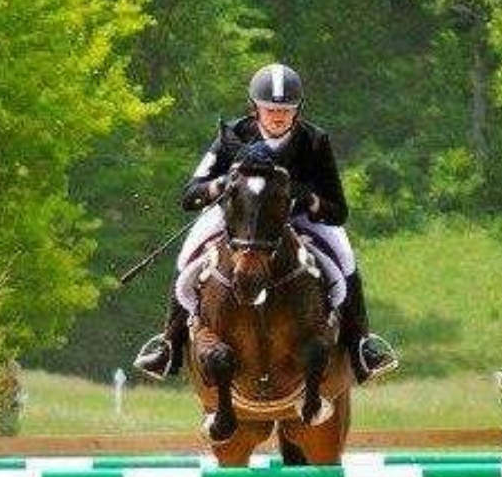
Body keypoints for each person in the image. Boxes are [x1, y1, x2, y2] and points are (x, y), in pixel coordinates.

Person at [133, 62, 398, 383]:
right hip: (238, 218)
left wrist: (308, 198)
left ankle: (361, 345)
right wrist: (220, 187)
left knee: (344, 256)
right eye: (270, 108)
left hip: (298, 218)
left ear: (297, 110)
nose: (278, 116)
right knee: (187, 253)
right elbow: (190, 195)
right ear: (254, 107)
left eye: (286, 109)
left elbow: (337, 209)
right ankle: (168, 345)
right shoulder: (231, 136)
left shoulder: (315, 141)